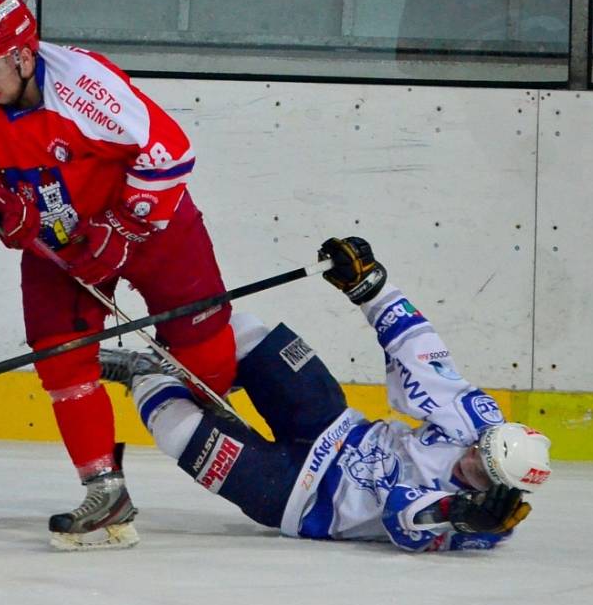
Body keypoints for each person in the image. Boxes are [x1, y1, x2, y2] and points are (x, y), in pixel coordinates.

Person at [0, 0, 238, 550]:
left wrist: (122, 230)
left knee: (206, 364)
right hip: (58, 249)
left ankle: (145, 371)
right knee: (58, 353)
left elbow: (170, 153)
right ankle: (105, 491)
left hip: (152, 229)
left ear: (23, 57)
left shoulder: (85, 86)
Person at [112, 236, 551, 552]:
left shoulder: (487, 522)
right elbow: (421, 353)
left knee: (179, 429)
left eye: (480, 468)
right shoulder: (478, 423)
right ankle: (201, 371)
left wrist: (457, 513)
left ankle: (143, 375)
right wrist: (373, 290)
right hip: (332, 423)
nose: (471, 455)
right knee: (246, 333)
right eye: (481, 448)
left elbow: (403, 519)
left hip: (296, 498)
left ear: (497, 487)